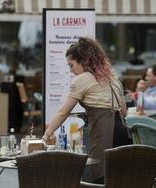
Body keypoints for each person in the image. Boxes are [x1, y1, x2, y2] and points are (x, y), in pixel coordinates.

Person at [42, 37, 129, 183]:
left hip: (104, 134)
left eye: (71, 65)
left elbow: (63, 112)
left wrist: (46, 136)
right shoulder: (112, 78)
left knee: (100, 177)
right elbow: (124, 111)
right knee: (119, 180)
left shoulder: (82, 79)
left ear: (83, 61)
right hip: (123, 133)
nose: (71, 70)